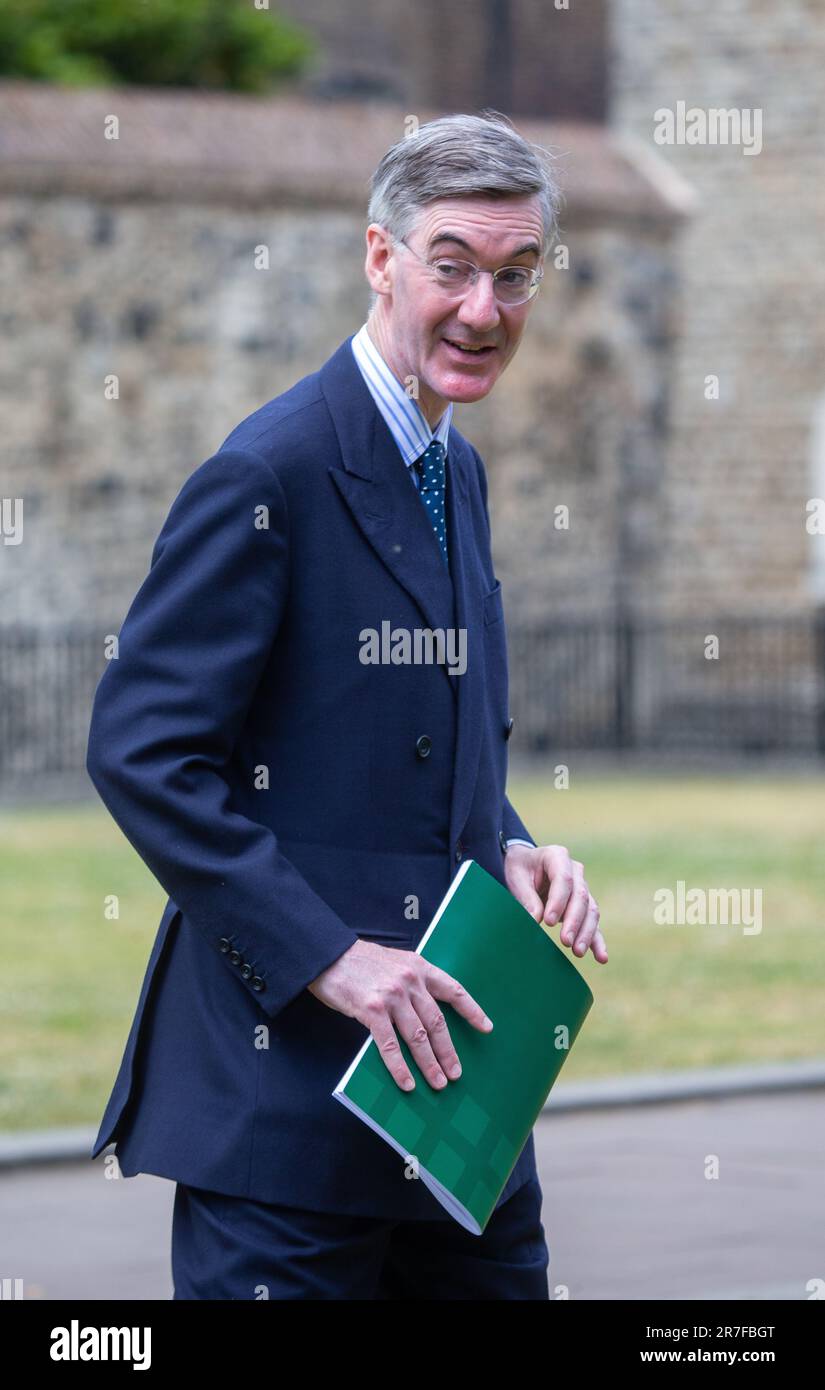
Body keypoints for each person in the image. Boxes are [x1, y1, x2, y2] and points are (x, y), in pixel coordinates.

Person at [86, 110, 608, 1301]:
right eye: (454, 266)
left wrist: (515, 846)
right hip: (287, 1132)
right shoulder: (266, 470)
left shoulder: (455, 467)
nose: (486, 309)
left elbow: (414, 745)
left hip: (460, 1120)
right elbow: (143, 751)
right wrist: (330, 956)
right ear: (381, 257)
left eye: (516, 275)